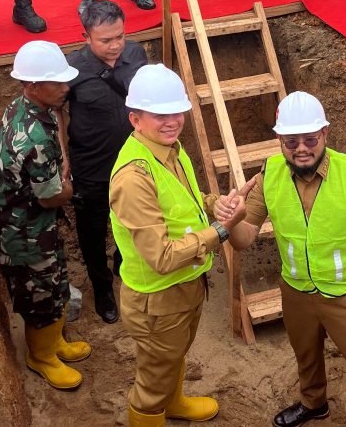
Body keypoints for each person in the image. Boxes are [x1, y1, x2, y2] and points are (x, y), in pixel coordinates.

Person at [215, 92, 346, 427]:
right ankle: (314, 403)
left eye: (310, 139)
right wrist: (231, 221)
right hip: (296, 290)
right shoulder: (268, 175)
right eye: (291, 141)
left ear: (325, 134)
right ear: (279, 139)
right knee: (305, 355)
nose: (301, 148)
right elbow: (244, 239)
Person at [110, 63, 245, 426]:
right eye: (160, 114)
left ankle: (175, 402)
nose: (172, 120)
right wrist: (219, 230)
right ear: (135, 119)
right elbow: (161, 257)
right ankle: (154, 411)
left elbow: (185, 199)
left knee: (173, 356)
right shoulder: (134, 177)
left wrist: (216, 204)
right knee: (153, 379)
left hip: (184, 287)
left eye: (177, 111)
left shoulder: (169, 149)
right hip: (158, 298)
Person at [0, 40, 91, 390]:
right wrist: (69, 184)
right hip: (22, 232)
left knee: (55, 280)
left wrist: (61, 169)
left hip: (34, 225)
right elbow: (51, 197)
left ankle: (54, 343)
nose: (66, 87)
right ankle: (41, 356)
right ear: (32, 85)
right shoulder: (32, 137)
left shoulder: (29, 108)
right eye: (57, 82)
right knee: (40, 295)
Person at [65, 0, 147, 324]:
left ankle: (122, 263)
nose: (115, 46)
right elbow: (56, 109)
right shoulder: (72, 67)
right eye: (105, 40)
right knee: (93, 230)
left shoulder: (137, 55)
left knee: (133, 220)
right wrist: (63, 154)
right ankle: (102, 288)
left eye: (119, 37)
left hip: (133, 164)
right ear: (86, 37)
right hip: (92, 168)